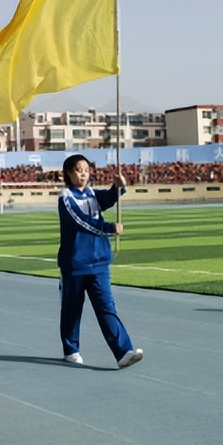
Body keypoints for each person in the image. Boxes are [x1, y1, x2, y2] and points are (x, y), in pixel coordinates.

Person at [56, 154, 143, 369]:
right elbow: (80, 222)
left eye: (86, 170)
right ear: (69, 173)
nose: (83, 174)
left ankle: (123, 352)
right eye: (78, 170)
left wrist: (118, 187)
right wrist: (109, 228)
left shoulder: (93, 194)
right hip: (75, 263)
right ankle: (71, 349)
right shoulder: (66, 198)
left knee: (106, 307)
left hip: (99, 263)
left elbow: (109, 198)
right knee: (72, 309)